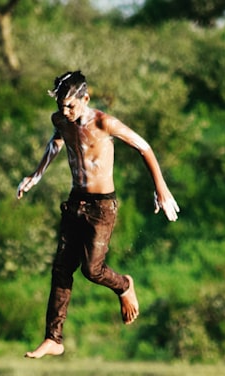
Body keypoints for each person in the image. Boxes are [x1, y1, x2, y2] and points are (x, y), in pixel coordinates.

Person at [17, 70, 180, 359]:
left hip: (101, 206)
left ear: (86, 98)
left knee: (92, 270)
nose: (65, 111)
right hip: (75, 200)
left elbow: (144, 147)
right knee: (61, 269)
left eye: (70, 105)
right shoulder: (60, 121)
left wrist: (161, 188)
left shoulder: (105, 123)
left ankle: (124, 285)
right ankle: (53, 339)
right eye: (61, 105)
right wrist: (36, 175)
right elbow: (56, 141)